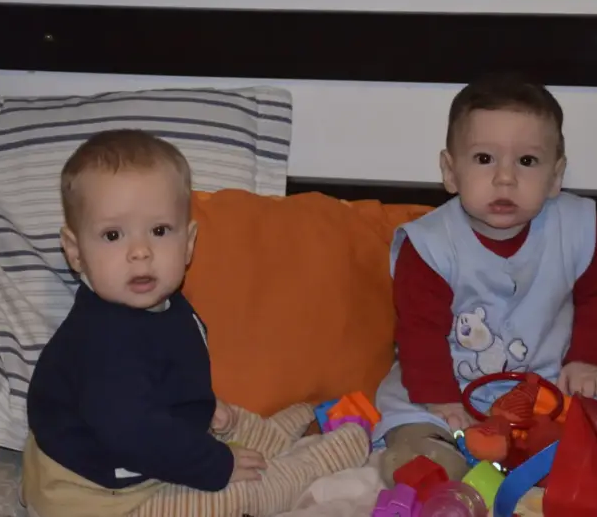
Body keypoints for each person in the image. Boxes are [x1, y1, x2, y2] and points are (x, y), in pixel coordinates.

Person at [22, 129, 368, 517]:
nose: (140, 252)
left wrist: (200, 406)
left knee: (226, 418)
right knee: (236, 494)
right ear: (75, 252)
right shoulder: (103, 345)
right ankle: (304, 470)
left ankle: (270, 436)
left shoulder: (161, 305)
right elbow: (135, 430)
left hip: (136, 442)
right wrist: (218, 465)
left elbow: (162, 375)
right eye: (113, 235)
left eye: (159, 231)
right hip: (95, 492)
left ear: (187, 243)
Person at [373, 74, 597, 445]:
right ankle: (430, 456)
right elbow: (420, 331)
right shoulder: (429, 245)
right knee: (407, 414)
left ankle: (570, 454)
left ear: (555, 176)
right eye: (484, 159)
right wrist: (440, 398)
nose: (505, 178)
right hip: (449, 384)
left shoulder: (577, 228)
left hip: (552, 381)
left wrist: (588, 361)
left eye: (527, 161)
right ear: (450, 172)